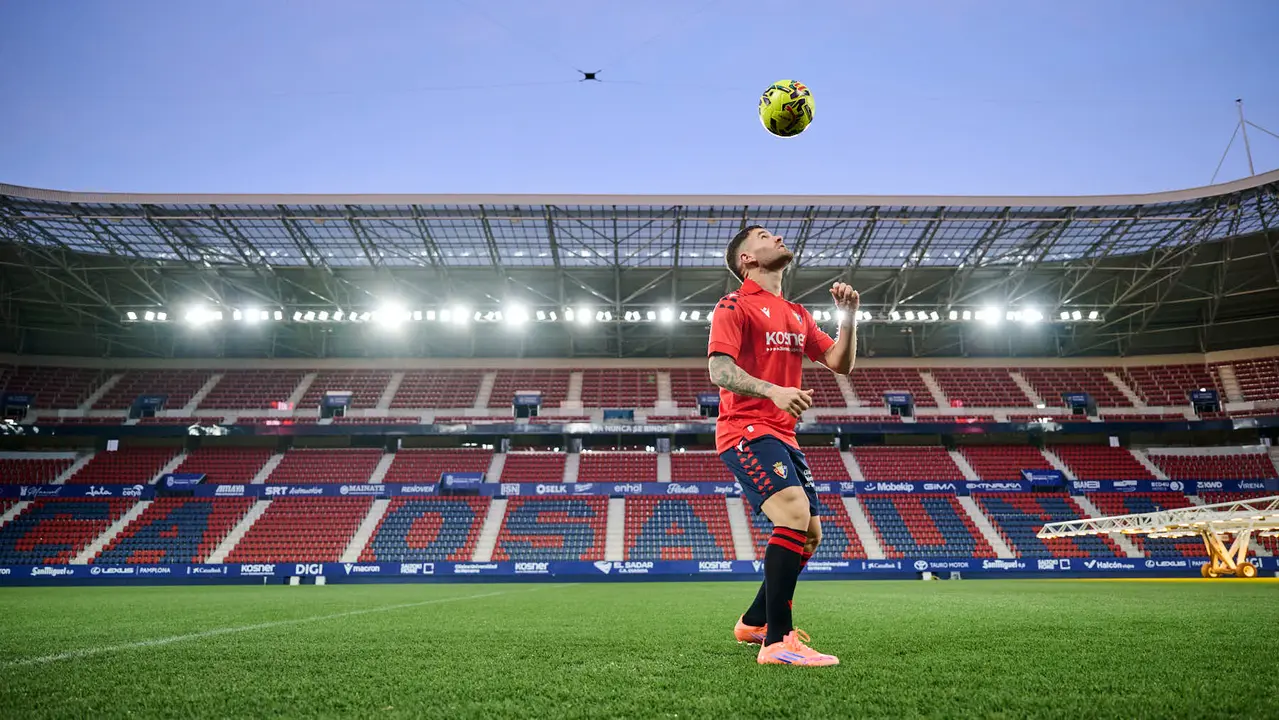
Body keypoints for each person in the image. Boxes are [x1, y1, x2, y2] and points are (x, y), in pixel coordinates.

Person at [707, 224, 859, 667]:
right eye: (763, 236)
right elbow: (719, 370)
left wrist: (847, 318)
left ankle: (754, 622)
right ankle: (777, 641)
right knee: (793, 516)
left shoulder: (796, 313)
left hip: (783, 434)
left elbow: (840, 363)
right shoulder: (733, 305)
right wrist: (773, 390)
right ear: (746, 260)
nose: (776, 237)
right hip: (746, 428)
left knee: (811, 534)